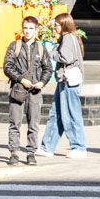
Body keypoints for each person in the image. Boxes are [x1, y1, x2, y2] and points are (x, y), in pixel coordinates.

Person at [2, 16, 53, 166]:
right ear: (22, 29)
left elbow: (48, 68)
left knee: (33, 124)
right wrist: (20, 79)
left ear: (36, 30)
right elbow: (7, 66)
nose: (28, 31)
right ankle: (14, 153)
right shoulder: (15, 45)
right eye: (25, 28)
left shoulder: (41, 48)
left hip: (35, 93)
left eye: (31, 28)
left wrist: (42, 82)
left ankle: (31, 153)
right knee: (14, 123)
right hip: (18, 90)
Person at [37, 12, 87, 159]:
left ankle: (79, 147)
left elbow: (66, 57)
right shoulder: (70, 37)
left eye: (56, 25)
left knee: (71, 114)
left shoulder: (67, 38)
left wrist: (50, 53)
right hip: (64, 81)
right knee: (56, 114)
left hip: (68, 82)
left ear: (64, 25)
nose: (54, 28)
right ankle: (47, 147)